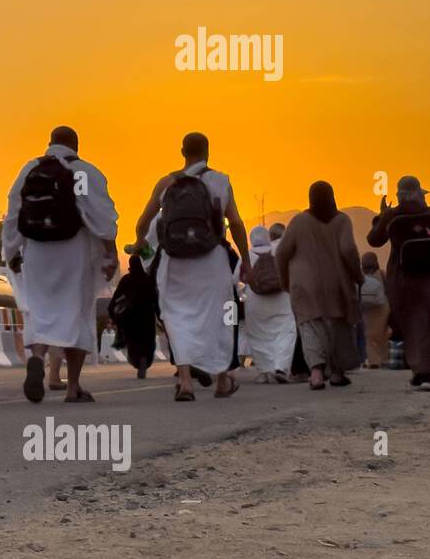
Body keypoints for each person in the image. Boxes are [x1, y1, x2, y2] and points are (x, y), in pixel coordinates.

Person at [3, 126, 119, 403]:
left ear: (49, 143)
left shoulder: (30, 170)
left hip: (36, 250)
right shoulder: (84, 172)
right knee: (76, 313)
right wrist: (110, 254)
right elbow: (102, 217)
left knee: (41, 310)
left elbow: (13, 211)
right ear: (76, 146)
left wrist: (11, 251)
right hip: (74, 250)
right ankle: (73, 387)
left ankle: (38, 356)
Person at [132, 132, 250, 401]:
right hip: (213, 260)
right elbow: (237, 224)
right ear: (208, 151)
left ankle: (185, 383)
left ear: (182, 151)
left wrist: (141, 243)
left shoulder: (167, 183)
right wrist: (247, 262)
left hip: (175, 262)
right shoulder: (220, 181)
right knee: (217, 319)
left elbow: (142, 223)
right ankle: (222, 381)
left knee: (176, 318)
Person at [276, 182, 364, 389]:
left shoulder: (299, 221)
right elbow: (348, 249)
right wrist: (358, 275)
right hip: (337, 284)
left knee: (310, 328)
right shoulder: (342, 220)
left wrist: (285, 280)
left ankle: (315, 373)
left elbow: (282, 253)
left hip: (304, 286)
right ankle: (336, 373)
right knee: (338, 328)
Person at [367, 175, 430, 390]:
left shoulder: (393, 216)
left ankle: (421, 372)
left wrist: (383, 215)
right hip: (428, 278)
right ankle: (426, 370)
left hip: (401, 278)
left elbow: (374, 240)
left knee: (412, 324)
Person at [241, 225, 295, 383]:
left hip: (255, 301)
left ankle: (266, 371)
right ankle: (281, 367)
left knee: (259, 336)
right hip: (282, 299)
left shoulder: (247, 255)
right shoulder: (278, 250)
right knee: (285, 332)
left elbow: (236, 278)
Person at [107, 253, 158, 377]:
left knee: (134, 343)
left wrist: (112, 312)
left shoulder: (126, 279)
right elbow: (155, 298)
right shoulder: (148, 279)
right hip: (147, 318)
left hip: (131, 318)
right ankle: (144, 359)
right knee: (147, 342)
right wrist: (160, 314)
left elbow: (116, 297)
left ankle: (138, 361)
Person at [358, 251, 389, 368]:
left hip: (367, 310)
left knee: (369, 337)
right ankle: (384, 360)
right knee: (382, 335)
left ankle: (374, 361)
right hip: (382, 309)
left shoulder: (360, 275)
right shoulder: (382, 274)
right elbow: (388, 290)